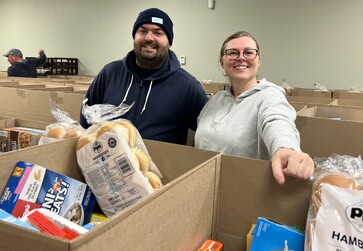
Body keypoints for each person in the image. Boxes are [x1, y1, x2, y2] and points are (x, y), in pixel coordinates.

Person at [194, 31, 314, 185]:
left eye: (249, 52)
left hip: (246, 191)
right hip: (203, 187)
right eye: (232, 53)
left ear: (258, 60)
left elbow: (277, 120)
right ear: (222, 62)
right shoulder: (215, 101)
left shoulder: (270, 96)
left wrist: (285, 148)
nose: (241, 57)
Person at [80, 8, 208, 145]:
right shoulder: (110, 73)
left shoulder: (187, 86)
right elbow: (86, 120)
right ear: (135, 36)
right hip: (106, 163)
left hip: (158, 165)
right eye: (142, 31)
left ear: (169, 42)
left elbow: (207, 135)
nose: (149, 38)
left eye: (158, 33)